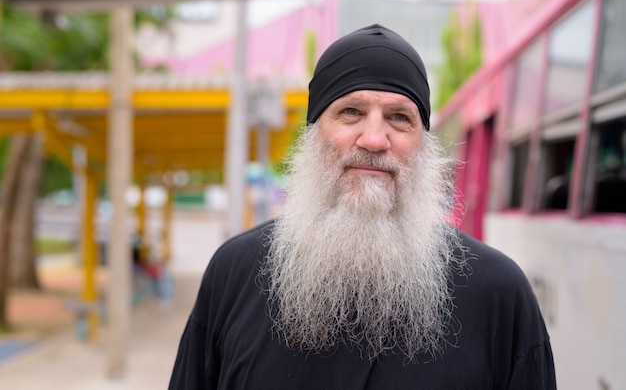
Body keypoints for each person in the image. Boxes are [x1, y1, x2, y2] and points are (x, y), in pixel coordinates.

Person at [169, 24, 556, 389]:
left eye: (399, 118)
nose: (373, 139)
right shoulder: (235, 272)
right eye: (350, 112)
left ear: (422, 144)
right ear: (314, 132)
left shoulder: (500, 293)